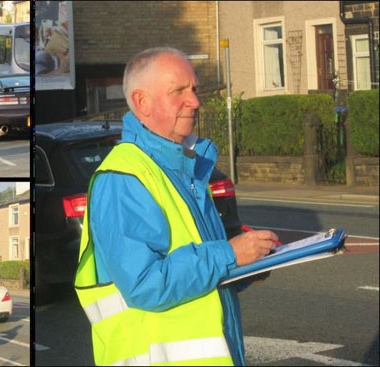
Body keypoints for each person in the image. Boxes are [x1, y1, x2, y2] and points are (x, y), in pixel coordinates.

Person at [74, 47, 280, 366]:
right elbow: (145, 285)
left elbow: (202, 273)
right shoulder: (123, 178)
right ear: (142, 102)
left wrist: (245, 267)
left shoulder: (183, 168)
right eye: (178, 91)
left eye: (194, 89)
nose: (195, 101)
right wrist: (230, 254)